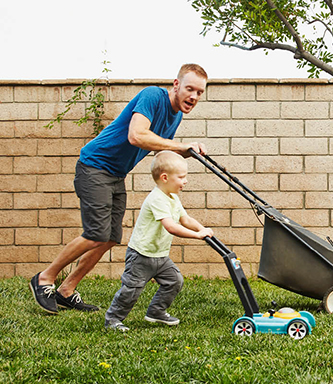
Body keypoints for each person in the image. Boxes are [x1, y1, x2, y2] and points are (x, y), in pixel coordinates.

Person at [30, 64, 208, 314]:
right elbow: (137, 136)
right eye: (190, 89)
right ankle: (44, 279)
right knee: (95, 234)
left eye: (200, 92)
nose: (194, 96)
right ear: (176, 85)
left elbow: (159, 149)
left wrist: (185, 153)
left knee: (111, 237)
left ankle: (66, 290)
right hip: (94, 166)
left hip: (115, 174)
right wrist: (179, 145)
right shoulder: (153, 96)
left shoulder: (175, 116)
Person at [104, 151, 213, 331]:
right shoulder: (156, 199)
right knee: (131, 290)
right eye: (182, 177)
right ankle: (113, 319)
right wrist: (196, 236)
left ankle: (156, 312)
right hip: (141, 254)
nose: (185, 181)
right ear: (165, 177)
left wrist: (202, 229)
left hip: (160, 255)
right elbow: (171, 226)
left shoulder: (173, 198)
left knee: (174, 281)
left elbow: (185, 219)